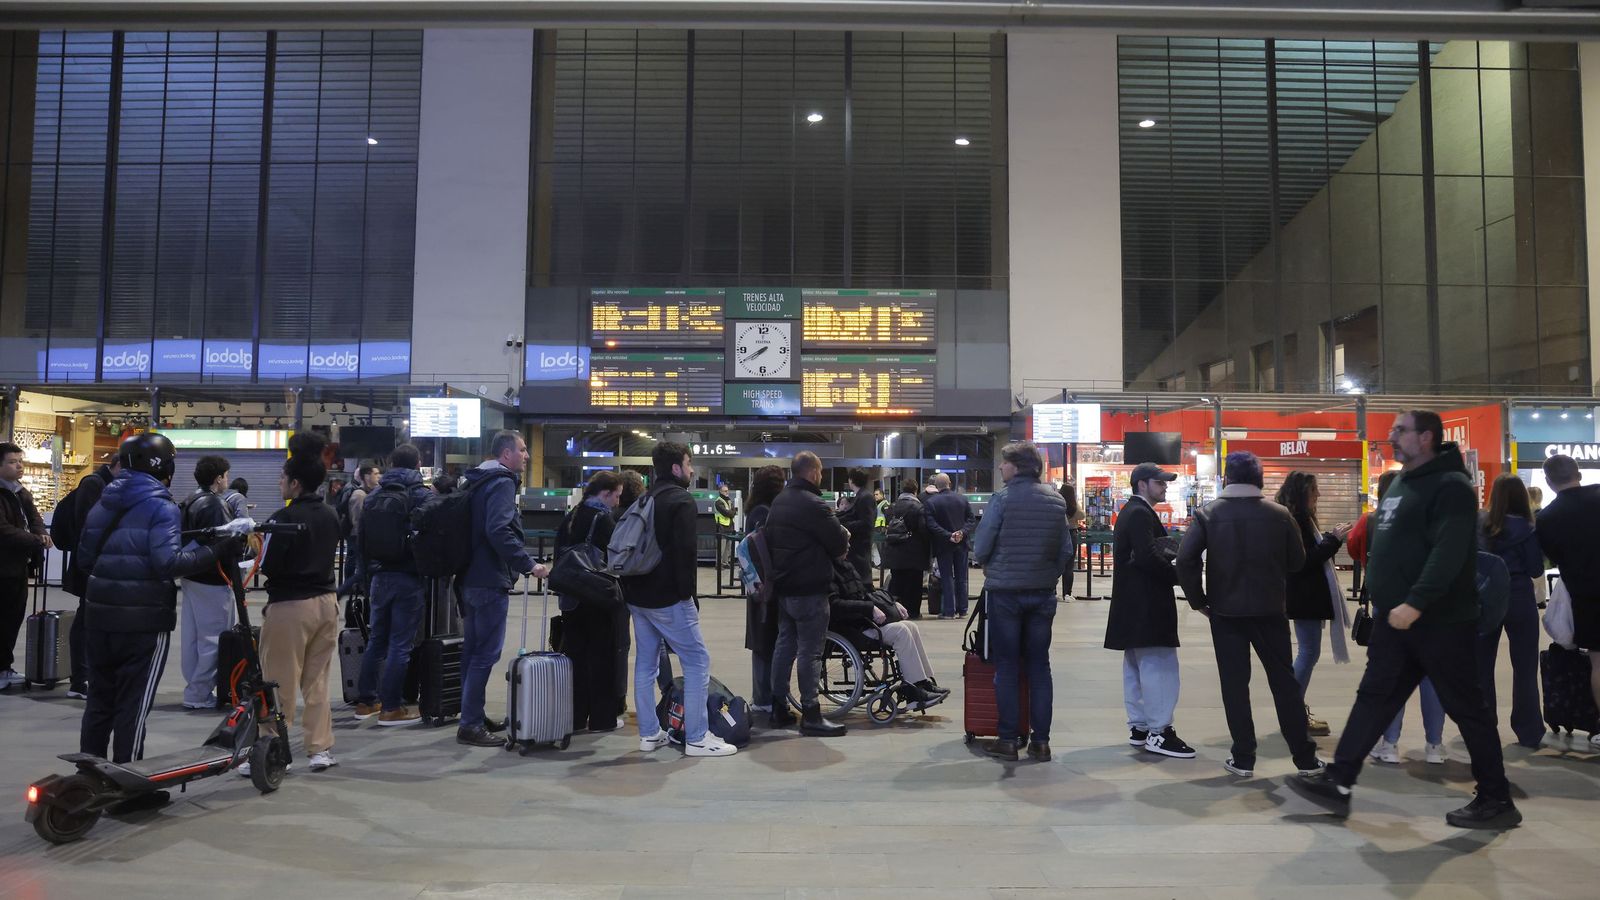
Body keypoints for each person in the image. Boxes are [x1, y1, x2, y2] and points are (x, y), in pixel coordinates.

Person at [1290, 411, 1522, 830]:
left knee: (1467, 708)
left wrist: (1416, 601)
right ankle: (1339, 781)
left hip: (1440, 620)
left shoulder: (1452, 487)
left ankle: (1496, 798)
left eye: (1401, 431)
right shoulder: (1400, 483)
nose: (1391, 436)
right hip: (1396, 622)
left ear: (1427, 438)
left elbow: (1449, 551)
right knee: (1374, 696)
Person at [76, 434, 232, 791]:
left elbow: (85, 559)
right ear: (165, 467)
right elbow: (168, 563)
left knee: (100, 701)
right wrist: (216, 549)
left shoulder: (104, 501)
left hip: (99, 617)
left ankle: (88, 780)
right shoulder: (161, 506)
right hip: (144, 620)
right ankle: (129, 786)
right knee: (133, 705)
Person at [1176, 451, 1322, 778]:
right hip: (1271, 611)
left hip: (1226, 614)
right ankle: (1305, 759)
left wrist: (1199, 601)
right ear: (1259, 479)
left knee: (1235, 685)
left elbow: (1185, 560)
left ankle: (1243, 757)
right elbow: (1297, 562)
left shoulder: (1208, 514)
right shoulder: (1280, 514)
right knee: (1284, 684)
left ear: (1227, 478)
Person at [623, 442, 736, 757]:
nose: (690, 470)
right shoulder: (680, 500)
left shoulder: (645, 499)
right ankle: (698, 738)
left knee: (646, 664)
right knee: (697, 660)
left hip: (637, 596)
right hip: (668, 598)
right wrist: (688, 596)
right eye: (688, 464)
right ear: (675, 468)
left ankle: (649, 734)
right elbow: (685, 554)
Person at [245, 432, 343, 774]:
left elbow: (268, 564)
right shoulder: (331, 515)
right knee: (317, 682)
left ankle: (273, 750)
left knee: (278, 682)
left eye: (283, 478)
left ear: (296, 483)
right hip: (327, 604)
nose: (279, 482)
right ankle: (320, 749)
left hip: (290, 607)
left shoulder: (281, 520)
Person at [971, 441, 1072, 762]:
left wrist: (989, 563)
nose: (1000, 468)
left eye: (1004, 464)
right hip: (1042, 595)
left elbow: (982, 546)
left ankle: (1008, 739)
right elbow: (1065, 552)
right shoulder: (1056, 501)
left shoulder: (1001, 499)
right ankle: (1041, 743)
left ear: (1016, 466)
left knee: (1007, 667)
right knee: (1040, 667)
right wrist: (1047, 576)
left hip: (1005, 595)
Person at [457, 430, 544, 748]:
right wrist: (529, 564)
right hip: (489, 578)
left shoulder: (476, 480)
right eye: (522, 450)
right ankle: (469, 725)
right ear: (505, 454)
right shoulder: (502, 483)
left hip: (469, 577)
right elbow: (498, 529)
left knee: (472, 651)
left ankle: (472, 715)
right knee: (485, 654)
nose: (527, 455)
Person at [1355, 471, 1448, 766]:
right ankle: (1434, 746)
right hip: (1426, 606)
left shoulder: (1372, 519)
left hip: (1388, 606)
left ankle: (1390, 744)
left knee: (1391, 675)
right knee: (1430, 677)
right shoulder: (1432, 518)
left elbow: (1356, 549)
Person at [1106, 462, 1195, 759]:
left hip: (1132, 604)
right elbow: (1146, 556)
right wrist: (1178, 576)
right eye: (1160, 482)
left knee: (1136, 666)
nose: (1165, 486)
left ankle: (1141, 727)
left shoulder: (1132, 512)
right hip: (1147, 603)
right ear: (1142, 484)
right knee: (1159, 667)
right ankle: (1160, 732)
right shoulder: (1140, 513)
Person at [765, 450, 851, 737]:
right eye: (821, 471)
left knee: (784, 646)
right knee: (810, 652)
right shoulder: (814, 504)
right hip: (810, 589)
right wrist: (844, 536)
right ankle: (811, 713)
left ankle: (777, 706)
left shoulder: (780, 501)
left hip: (784, 588)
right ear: (813, 472)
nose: (822, 476)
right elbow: (838, 545)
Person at [352, 443, 436, 727]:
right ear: (418, 464)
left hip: (378, 577)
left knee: (376, 640)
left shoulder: (374, 496)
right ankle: (391, 707)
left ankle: (366, 701)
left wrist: (364, 578)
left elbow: (360, 541)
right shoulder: (420, 495)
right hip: (408, 577)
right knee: (401, 645)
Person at [1276, 472, 1353, 739]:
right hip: (1304, 597)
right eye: (1314, 491)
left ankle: (1294, 711)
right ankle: (1293, 713)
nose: (1318, 496)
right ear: (1301, 494)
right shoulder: (1297, 520)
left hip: (1305, 597)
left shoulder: (1297, 519)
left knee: (1308, 653)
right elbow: (1303, 562)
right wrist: (1333, 540)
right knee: (1308, 653)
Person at [1535, 452, 1600, 749]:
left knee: (1598, 662)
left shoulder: (1547, 518)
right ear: (1580, 473)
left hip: (1587, 597)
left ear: (1548, 482)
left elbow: (1551, 559)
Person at [1478, 473, 1545, 749]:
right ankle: (1528, 731)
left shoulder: (1481, 524)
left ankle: (1482, 726)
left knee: (1481, 666)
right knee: (1526, 667)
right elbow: (1535, 569)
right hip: (1519, 597)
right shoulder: (1529, 529)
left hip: (1485, 599)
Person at [555, 470, 624, 733]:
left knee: (576, 658)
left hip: (571, 599)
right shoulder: (603, 520)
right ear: (604, 494)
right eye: (616, 496)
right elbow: (616, 558)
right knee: (602, 657)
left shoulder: (570, 518)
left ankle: (575, 717)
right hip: (597, 598)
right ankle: (602, 720)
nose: (617, 502)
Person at [825, 561, 947, 710]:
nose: (849, 545)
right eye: (846, 542)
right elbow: (835, 605)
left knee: (911, 627)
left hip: (864, 622)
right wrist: (869, 608)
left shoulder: (847, 566)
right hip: (852, 628)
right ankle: (914, 695)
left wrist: (892, 602)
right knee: (901, 632)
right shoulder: (828, 571)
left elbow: (866, 592)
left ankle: (923, 682)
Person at [177, 455, 238, 710]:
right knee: (213, 639)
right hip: (213, 579)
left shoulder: (190, 499)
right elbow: (223, 543)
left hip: (191, 575)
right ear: (219, 478)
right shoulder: (215, 505)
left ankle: (194, 689)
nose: (228, 480)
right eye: (226, 475)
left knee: (192, 638)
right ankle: (199, 692)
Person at [58, 455, 120, 698]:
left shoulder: (108, 485)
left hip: (99, 564)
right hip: (90, 565)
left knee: (93, 618)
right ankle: (80, 679)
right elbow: (88, 525)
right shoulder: (94, 484)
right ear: (118, 465)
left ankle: (89, 676)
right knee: (86, 619)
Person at [1, 441, 52, 690]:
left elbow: (35, 518)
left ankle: (3, 667)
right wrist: (35, 539)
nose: (19, 466)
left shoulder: (21, 491)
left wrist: (40, 534)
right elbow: (3, 531)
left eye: (20, 461)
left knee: (13, 619)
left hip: (18, 568)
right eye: (12, 462)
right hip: (3, 568)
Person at [739, 464, 787, 713]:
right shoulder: (764, 512)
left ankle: (763, 696)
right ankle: (763, 698)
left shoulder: (756, 509)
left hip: (757, 586)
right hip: (763, 588)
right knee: (765, 641)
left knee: (764, 640)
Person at [924, 473, 975, 619]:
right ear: (950, 483)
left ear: (936, 486)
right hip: (962, 544)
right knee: (962, 578)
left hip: (943, 545)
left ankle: (949, 611)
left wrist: (948, 535)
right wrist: (961, 533)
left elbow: (931, 524)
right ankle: (963, 609)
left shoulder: (931, 502)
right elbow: (971, 520)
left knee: (947, 577)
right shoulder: (962, 499)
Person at [880, 479, 931, 619]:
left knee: (897, 582)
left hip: (895, 552)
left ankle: (897, 612)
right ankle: (913, 612)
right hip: (914, 553)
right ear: (916, 490)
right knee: (914, 585)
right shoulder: (918, 508)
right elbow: (924, 530)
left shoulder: (892, 507)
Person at [335, 464, 379, 597]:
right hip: (358, 538)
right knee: (361, 571)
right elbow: (358, 521)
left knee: (364, 571)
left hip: (362, 538)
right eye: (375, 474)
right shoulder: (359, 495)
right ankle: (339, 593)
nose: (379, 476)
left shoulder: (369, 493)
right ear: (366, 476)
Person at [842, 468, 877, 581]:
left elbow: (867, 524)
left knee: (861, 580)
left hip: (860, 547)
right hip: (858, 547)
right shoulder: (861, 496)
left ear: (851, 480)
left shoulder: (865, 497)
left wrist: (845, 525)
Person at [1059, 479, 1083, 601]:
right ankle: (1067, 593)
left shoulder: (1058, 503)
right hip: (1072, 533)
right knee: (1069, 566)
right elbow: (1082, 515)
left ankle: (1053, 591)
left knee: (1056, 563)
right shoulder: (1074, 505)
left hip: (1059, 533)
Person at [714, 482, 736, 569]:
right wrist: (732, 513)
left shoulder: (729, 501)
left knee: (728, 547)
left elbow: (733, 511)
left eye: (727, 491)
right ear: (720, 491)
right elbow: (727, 513)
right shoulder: (718, 502)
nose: (727, 493)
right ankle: (718, 564)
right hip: (721, 526)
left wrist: (732, 513)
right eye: (725, 491)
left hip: (729, 526)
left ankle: (725, 562)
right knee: (721, 547)